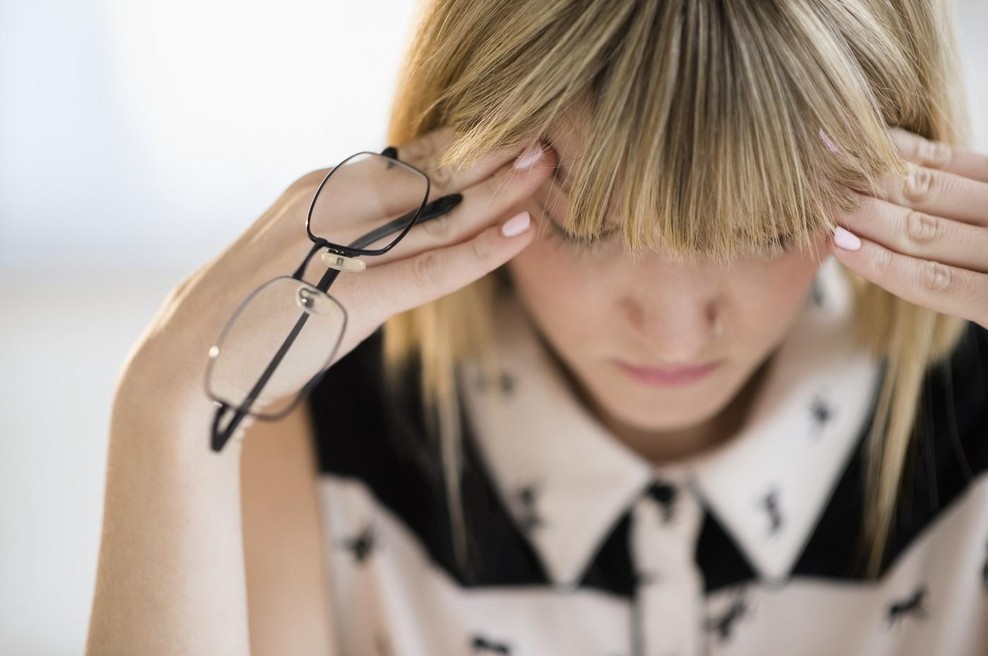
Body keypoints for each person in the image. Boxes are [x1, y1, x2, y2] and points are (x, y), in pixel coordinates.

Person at [86, 0, 988, 654]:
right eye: (585, 230)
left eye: (766, 231)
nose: (673, 336)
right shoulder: (317, 437)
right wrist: (164, 417)